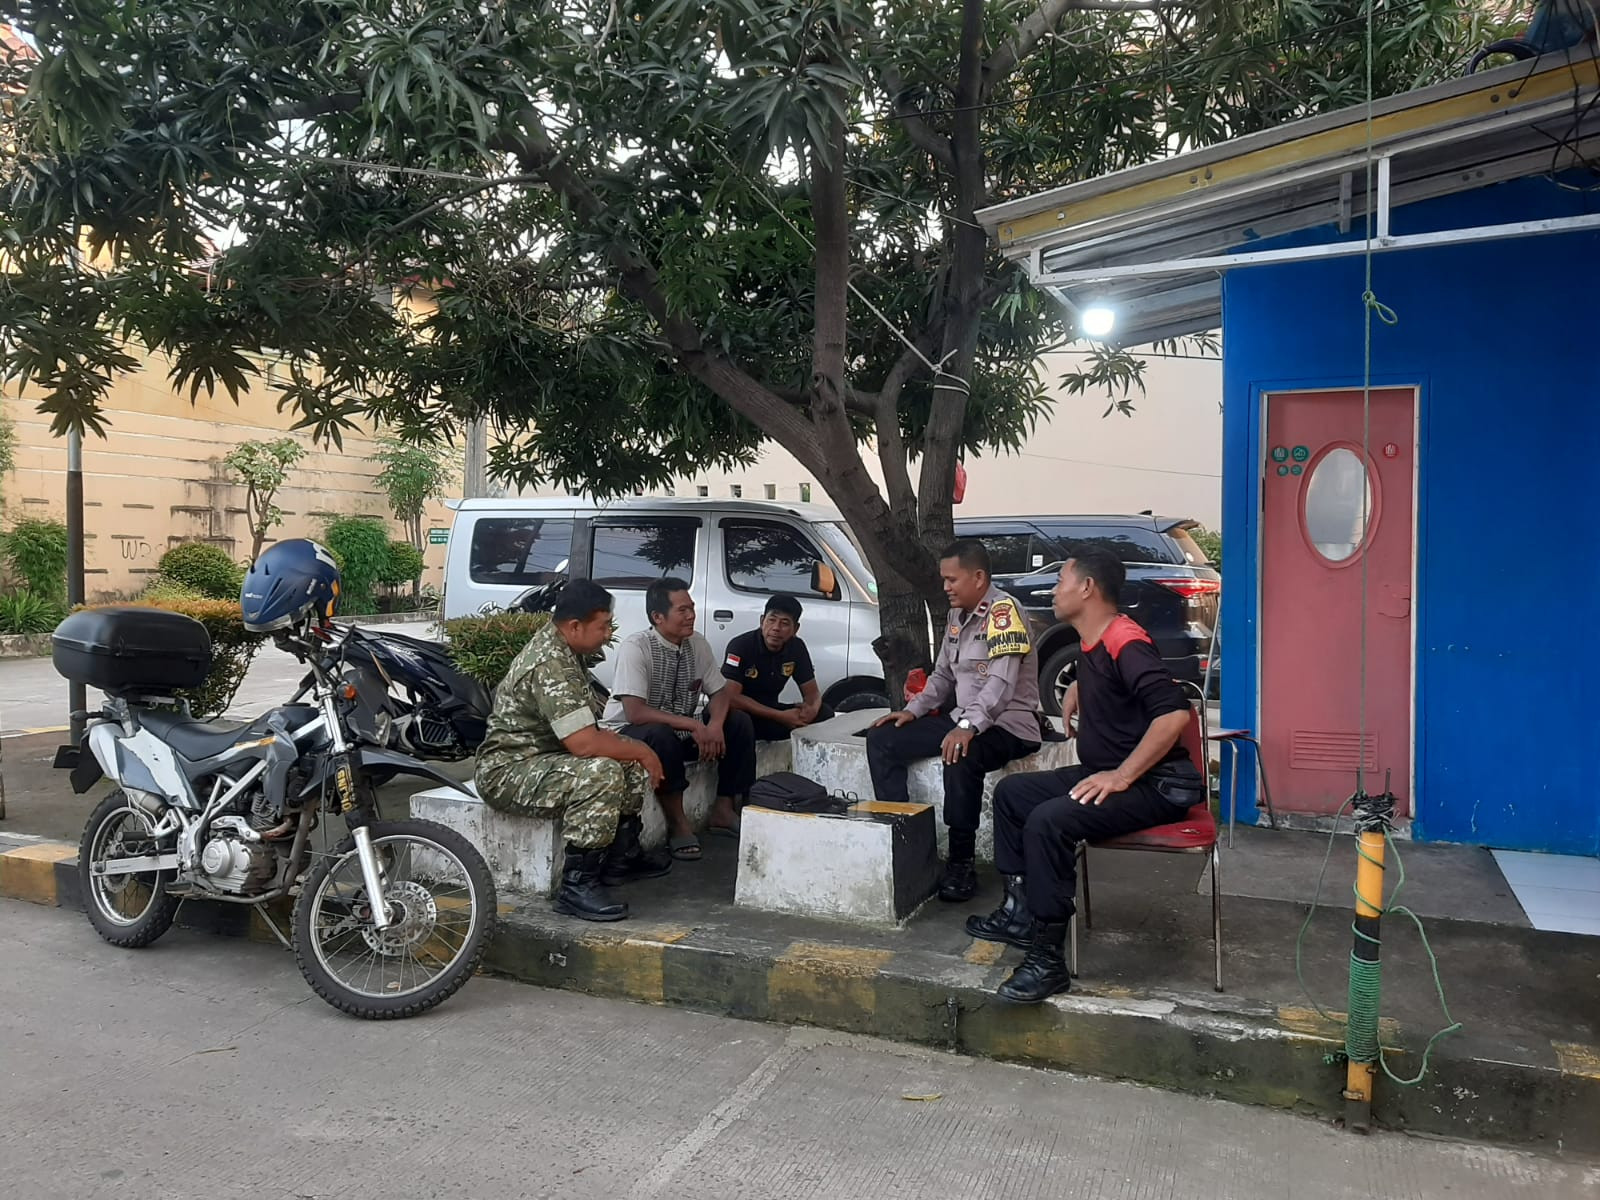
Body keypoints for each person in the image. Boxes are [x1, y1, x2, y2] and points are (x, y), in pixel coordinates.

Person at [967, 549, 1205, 1003]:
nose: (1054, 590)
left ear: (1087, 588)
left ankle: (1047, 960)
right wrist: (1082, 685)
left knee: (1049, 821)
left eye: (1060, 581)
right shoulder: (1096, 642)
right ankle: (1019, 913)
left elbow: (1175, 714)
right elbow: (1122, 685)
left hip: (1157, 785)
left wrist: (1121, 775)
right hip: (1108, 772)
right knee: (1013, 794)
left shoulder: (1124, 639)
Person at [475, 580, 671, 924]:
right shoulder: (549, 662)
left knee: (624, 763)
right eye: (603, 626)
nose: (609, 634)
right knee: (603, 771)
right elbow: (584, 744)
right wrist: (643, 750)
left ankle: (620, 859)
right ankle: (577, 885)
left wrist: (633, 754)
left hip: (543, 758)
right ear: (574, 626)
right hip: (507, 772)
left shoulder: (567, 649)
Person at [865, 539, 1042, 902]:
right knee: (883, 739)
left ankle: (961, 863)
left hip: (1010, 723)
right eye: (944, 580)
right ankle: (904, 843)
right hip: (964, 719)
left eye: (952, 579)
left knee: (960, 755)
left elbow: (1002, 683)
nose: (945, 587)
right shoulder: (956, 617)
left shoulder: (1005, 613)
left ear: (978, 577)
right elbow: (943, 676)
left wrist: (966, 727)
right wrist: (911, 710)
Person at [602, 577, 757, 856]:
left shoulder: (696, 643)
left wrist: (716, 726)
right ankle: (678, 824)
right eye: (682, 610)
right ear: (658, 617)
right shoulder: (636, 647)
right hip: (629, 731)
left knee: (738, 722)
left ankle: (724, 809)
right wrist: (694, 724)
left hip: (681, 728)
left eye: (692, 608)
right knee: (660, 735)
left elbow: (720, 693)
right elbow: (636, 713)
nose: (691, 616)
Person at [720, 595, 833, 740]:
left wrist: (812, 709)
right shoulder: (741, 645)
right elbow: (731, 697)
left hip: (773, 712)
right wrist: (780, 716)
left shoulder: (797, 647)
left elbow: (812, 693)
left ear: (795, 628)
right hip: (747, 713)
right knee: (739, 720)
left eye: (784, 623)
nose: (776, 628)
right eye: (771, 620)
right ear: (762, 621)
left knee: (825, 712)